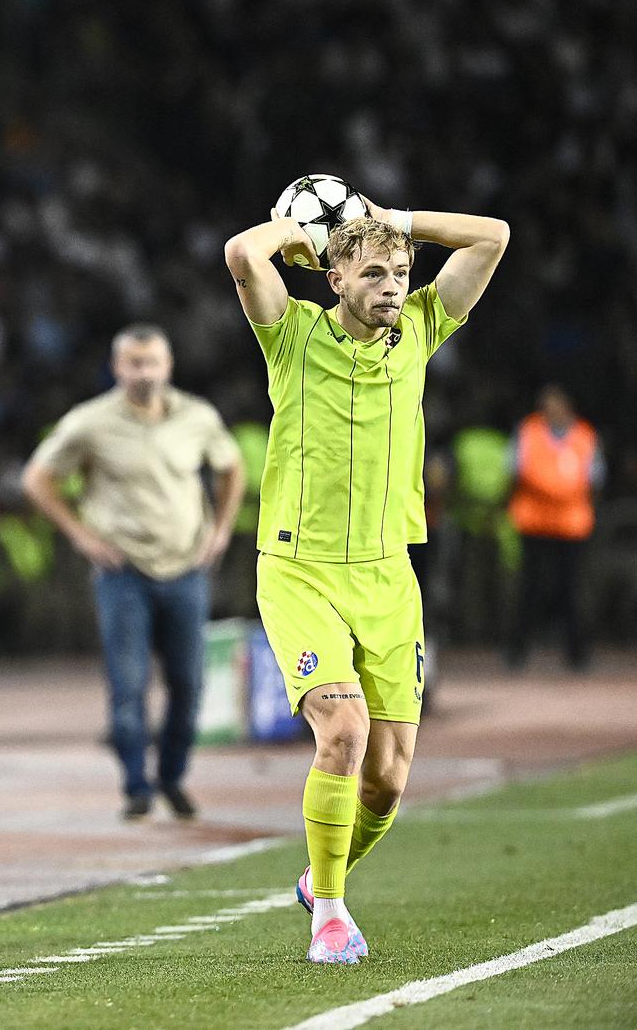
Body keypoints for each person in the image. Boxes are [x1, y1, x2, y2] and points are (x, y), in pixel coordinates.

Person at [224, 201, 508, 964]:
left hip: (388, 573)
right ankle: (332, 918)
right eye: (375, 271)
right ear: (336, 276)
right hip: (299, 570)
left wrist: (398, 220)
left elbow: (494, 237)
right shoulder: (292, 336)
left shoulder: (420, 327)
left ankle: (321, 880)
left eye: (402, 271)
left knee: (386, 780)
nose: (393, 284)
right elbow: (242, 256)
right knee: (343, 735)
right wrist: (299, 234)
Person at [22, 325, 244, 821]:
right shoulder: (90, 423)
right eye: (133, 364)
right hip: (123, 570)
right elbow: (37, 479)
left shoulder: (197, 417)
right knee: (129, 684)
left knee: (188, 683)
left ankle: (172, 776)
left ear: (169, 366)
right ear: (117, 367)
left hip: (185, 565)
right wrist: (81, 536)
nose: (143, 373)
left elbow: (232, 467)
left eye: (152, 363)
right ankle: (135, 786)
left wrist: (222, 529)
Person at [505, 385, 603, 671]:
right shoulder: (528, 431)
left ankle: (578, 654)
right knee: (529, 589)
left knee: (571, 590)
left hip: (572, 525)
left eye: (555, 402)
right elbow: (513, 471)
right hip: (534, 522)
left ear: (568, 405)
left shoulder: (585, 435)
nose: (550, 407)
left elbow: (596, 478)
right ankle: (517, 651)